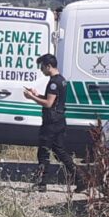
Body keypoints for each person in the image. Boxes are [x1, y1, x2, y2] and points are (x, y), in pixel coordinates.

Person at [23, 54, 85, 193]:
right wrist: (37, 94)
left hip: (50, 123)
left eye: (42, 67)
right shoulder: (61, 80)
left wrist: (31, 97)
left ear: (48, 66)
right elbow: (53, 100)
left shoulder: (53, 83)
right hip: (59, 120)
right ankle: (81, 179)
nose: (41, 70)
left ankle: (41, 183)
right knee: (60, 152)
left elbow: (49, 103)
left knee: (43, 152)